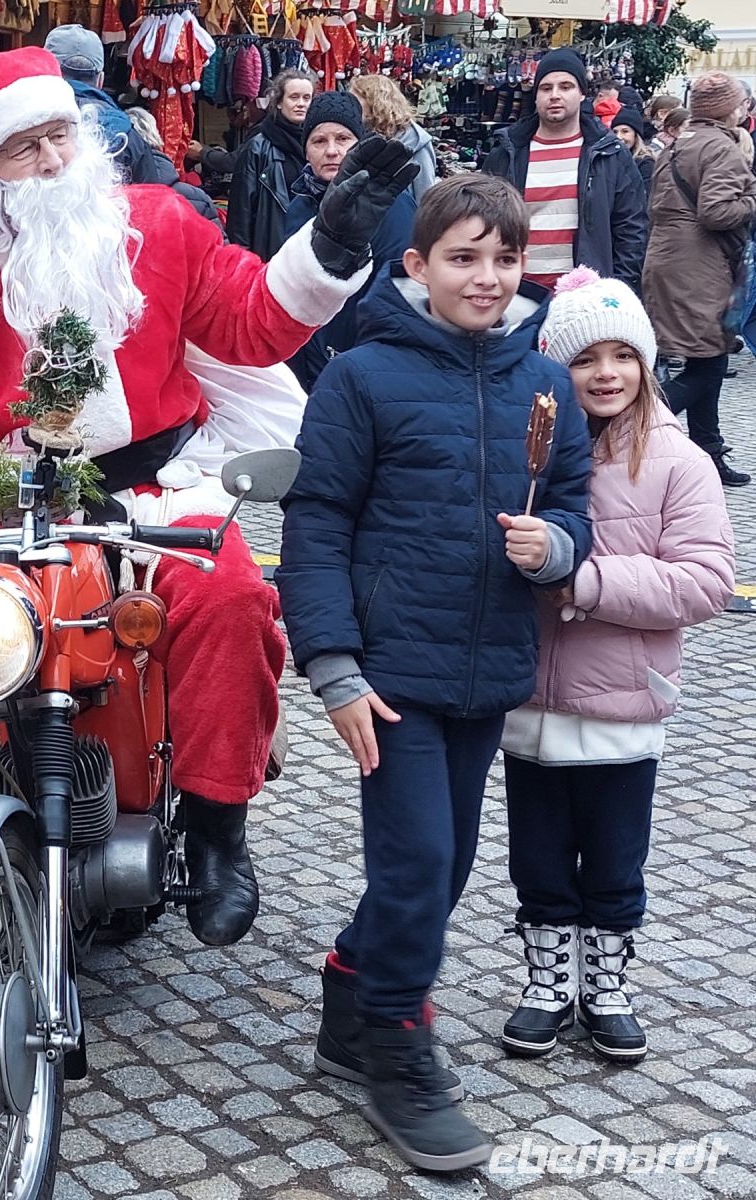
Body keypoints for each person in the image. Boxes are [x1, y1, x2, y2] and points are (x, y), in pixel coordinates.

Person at [0, 47, 419, 1015]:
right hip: (5, 505)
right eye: (22, 147)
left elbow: (255, 323)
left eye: (59, 136)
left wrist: (332, 248)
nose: (51, 161)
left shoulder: (158, 227)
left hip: (150, 498)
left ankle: (218, 829)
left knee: (229, 603)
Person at [278, 174, 592, 1170]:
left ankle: (348, 984)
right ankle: (395, 1043)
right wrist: (329, 662)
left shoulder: (541, 383)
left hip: (487, 664)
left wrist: (562, 543)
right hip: (389, 673)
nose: (488, 278)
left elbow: (574, 495)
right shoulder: (361, 378)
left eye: (504, 259)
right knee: (416, 867)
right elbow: (315, 521)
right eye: (463, 257)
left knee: (444, 867)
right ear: (416, 267)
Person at [498, 268, 733, 1064]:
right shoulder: (525, 452)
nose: (605, 373)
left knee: (613, 856)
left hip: (624, 703)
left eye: (622, 355)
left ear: (645, 363)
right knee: (535, 856)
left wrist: (584, 580)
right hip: (530, 700)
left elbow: (703, 580)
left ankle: (605, 980)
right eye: (584, 357)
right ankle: (547, 978)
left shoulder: (678, 461)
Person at [643, 71, 756, 488]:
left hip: (667, 261)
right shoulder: (721, 149)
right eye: (743, 102)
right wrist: (752, 199)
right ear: (729, 109)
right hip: (698, 268)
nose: (746, 109)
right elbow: (717, 213)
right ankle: (628, 421)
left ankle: (709, 453)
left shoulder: (676, 147)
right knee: (707, 366)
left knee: (707, 358)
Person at [283, 91, 418, 389]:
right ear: (306, 151)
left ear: (359, 144)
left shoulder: (391, 206)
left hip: (370, 367)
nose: (331, 150)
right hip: (310, 363)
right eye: (319, 141)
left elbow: (399, 292)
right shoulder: (299, 206)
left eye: (342, 139)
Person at [483, 49, 648, 291]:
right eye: (546, 88)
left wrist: (617, 289)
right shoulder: (507, 153)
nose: (555, 95)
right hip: (516, 296)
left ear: (582, 93)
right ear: (536, 95)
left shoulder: (609, 154)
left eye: (566, 86)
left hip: (585, 299)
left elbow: (632, 228)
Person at [43, 24, 220, 225]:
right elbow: (150, 214)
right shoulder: (125, 134)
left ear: (45, 73)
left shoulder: (24, 125)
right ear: (100, 80)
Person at [229, 67, 318, 259]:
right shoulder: (258, 146)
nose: (301, 104)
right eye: (294, 97)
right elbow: (241, 210)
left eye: (306, 98)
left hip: (310, 252)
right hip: (272, 250)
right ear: (278, 102)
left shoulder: (318, 143)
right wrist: (241, 259)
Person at [348, 73, 437, 202]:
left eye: (355, 100)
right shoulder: (362, 135)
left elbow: (425, 197)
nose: (350, 105)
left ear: (374, 101)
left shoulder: (416, 142)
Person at [609, 106, 656, 195]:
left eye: (625, 131)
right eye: (615, 132)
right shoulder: (609, 160)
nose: (619, 137)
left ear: (636, 135)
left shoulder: (645, 163)